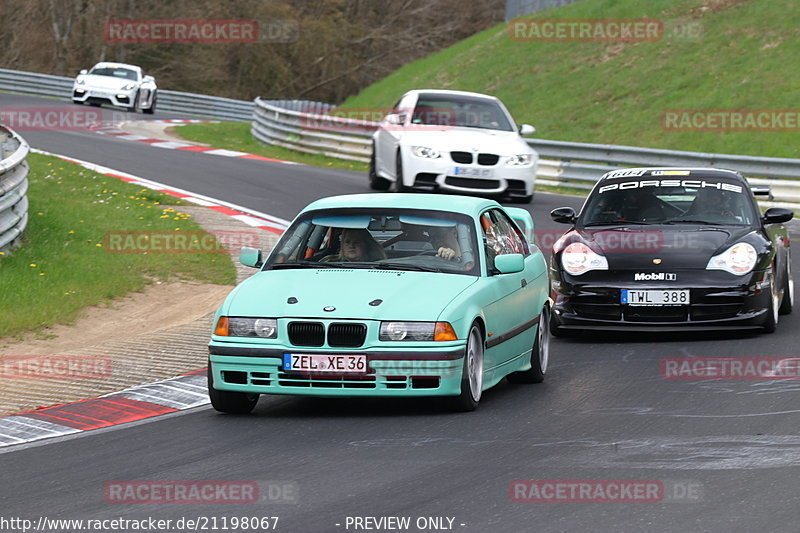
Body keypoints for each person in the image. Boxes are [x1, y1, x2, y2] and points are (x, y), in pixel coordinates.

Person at [320, 229, 387, 262]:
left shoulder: (380, 266)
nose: (351, 245)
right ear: (342, 245)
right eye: (347, 242)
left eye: (357, 242)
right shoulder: (328, 262)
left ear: (366, 245)